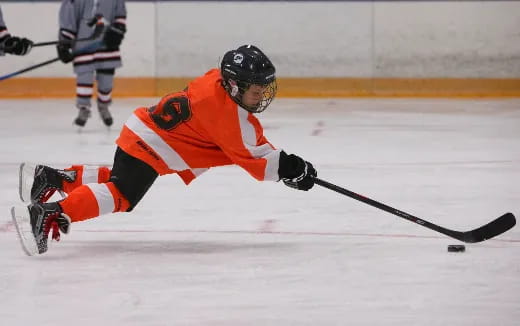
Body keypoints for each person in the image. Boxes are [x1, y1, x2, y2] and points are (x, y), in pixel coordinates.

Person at [14, 45, 317, 256]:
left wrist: (287, 167)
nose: (262, 95)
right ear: (234, 86)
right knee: (122, 195)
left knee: (120, 178)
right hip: (152, 144)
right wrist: (294, 169)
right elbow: (257, 159)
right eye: (256, 90)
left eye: (264, 88)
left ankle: (52, 178)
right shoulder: (226, 115)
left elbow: (250, 145)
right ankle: (48, 214)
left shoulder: (216, 82)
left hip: (147, 135)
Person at [56, 0, 127, 127]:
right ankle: (83, 109)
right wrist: (65, 42)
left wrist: (118, 28)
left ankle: (103, 106)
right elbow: (68, 17)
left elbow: (120, 13)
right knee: (84, 78)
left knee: (107, 81)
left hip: (107, 45)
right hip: (83, 44)